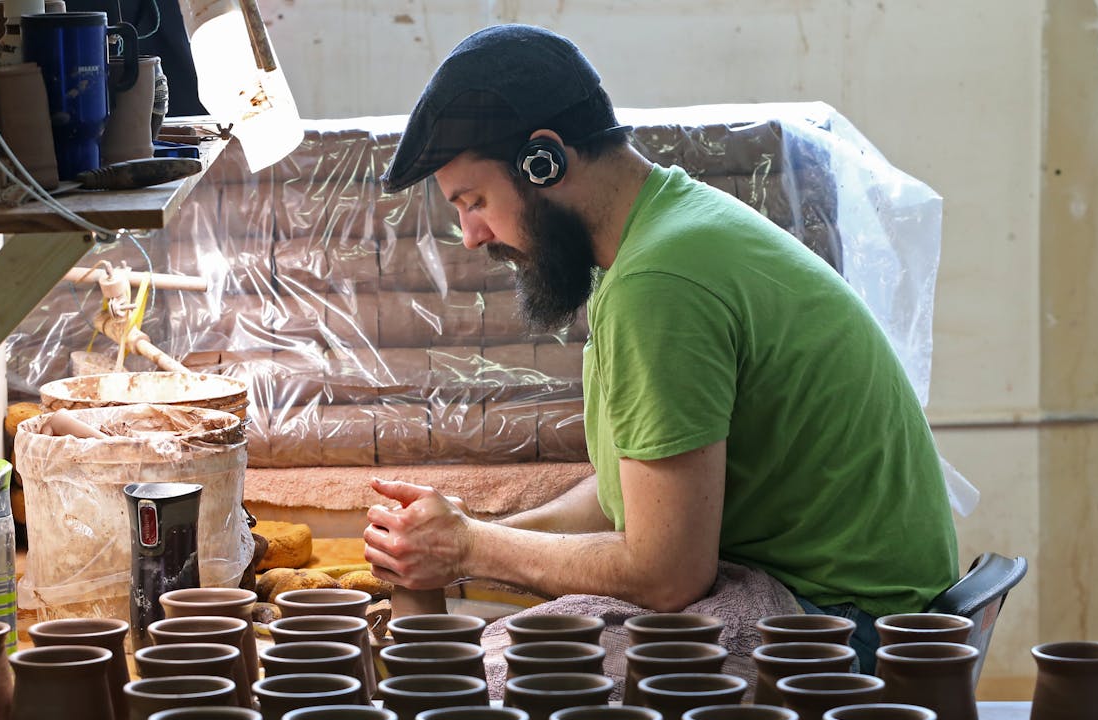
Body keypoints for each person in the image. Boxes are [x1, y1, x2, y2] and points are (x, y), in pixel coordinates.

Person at [364, 23, 959, 675]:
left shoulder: (660, 280)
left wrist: (470, 552)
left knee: (499, 703)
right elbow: (628, 492)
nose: (472, 236)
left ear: (545, 160)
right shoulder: (662, 237)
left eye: (474, 201)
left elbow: (666, 573)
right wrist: (455, 533)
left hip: (860, 632)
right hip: (845, 604)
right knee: (502, 662)